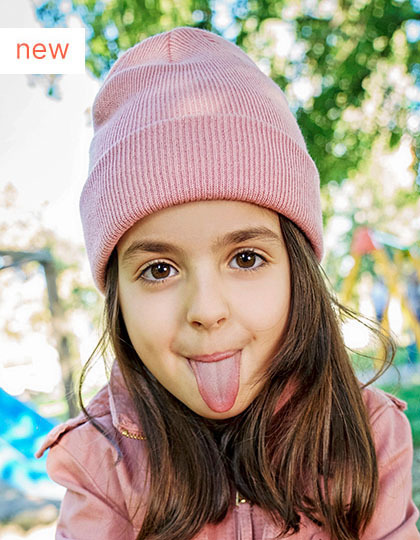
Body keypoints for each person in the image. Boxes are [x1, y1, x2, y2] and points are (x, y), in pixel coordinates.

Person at [36, 26, 420, 540]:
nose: (207, 309)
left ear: (297, 271)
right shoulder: (100, 463)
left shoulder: (370, 435)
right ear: (118, 297)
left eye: (245, 258)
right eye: (159, 269)